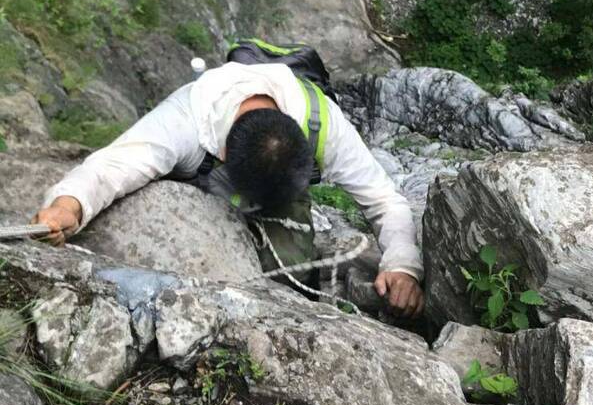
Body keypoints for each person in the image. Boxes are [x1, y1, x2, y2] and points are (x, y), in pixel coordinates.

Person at [32, 60, 425, 318]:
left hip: (277, 189)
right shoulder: (185, 120)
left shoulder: (324, 121)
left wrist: (403, 266)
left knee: (287, 284)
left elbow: (384, 199)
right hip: (200, 191)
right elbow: (112, 167)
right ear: (221, 152)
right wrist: (70, 205)